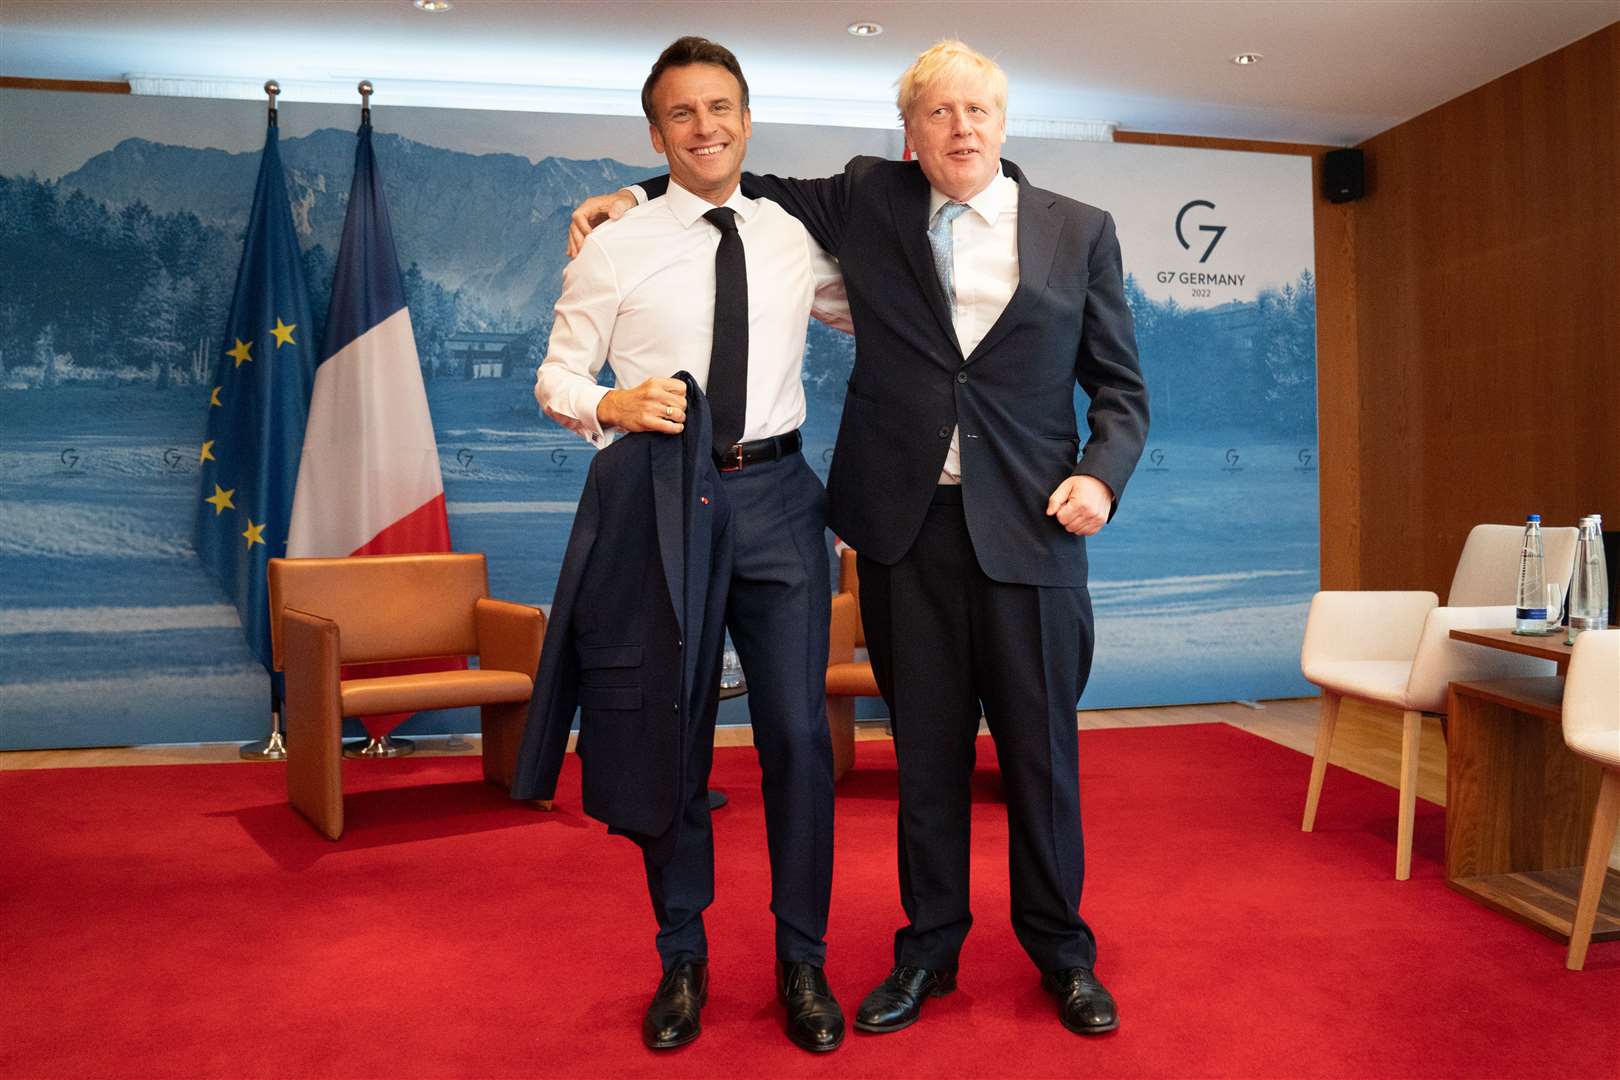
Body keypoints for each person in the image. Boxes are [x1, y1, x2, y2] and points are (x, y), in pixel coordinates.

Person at [573, 39, 1148, 1037]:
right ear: (911, 131)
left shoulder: (1079, 230)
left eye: (976, 111)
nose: (960, 128)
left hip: (1034, 534)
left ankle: (1063, 954)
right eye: (937, 113)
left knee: (1041, 761)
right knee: (924, 759)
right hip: (904, 534)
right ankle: (927, 952)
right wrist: (628, 195)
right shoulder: (870, 201)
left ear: (1003, 122)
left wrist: (1100, 474)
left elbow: (1122, 389)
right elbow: (723, 177)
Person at [534, 36, 851, 1053]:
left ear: (747, 120)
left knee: (799, 738)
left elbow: (895, 303)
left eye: (721, 108)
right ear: (656, 130)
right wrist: (610, 401)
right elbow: (557, 377)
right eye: (682, 113)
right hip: (663, 500)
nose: (705, 127)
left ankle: (803, 958)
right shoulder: (613, 246)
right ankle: (682, 956)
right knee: (669, 735)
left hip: (782, 500)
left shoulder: (796, 237)